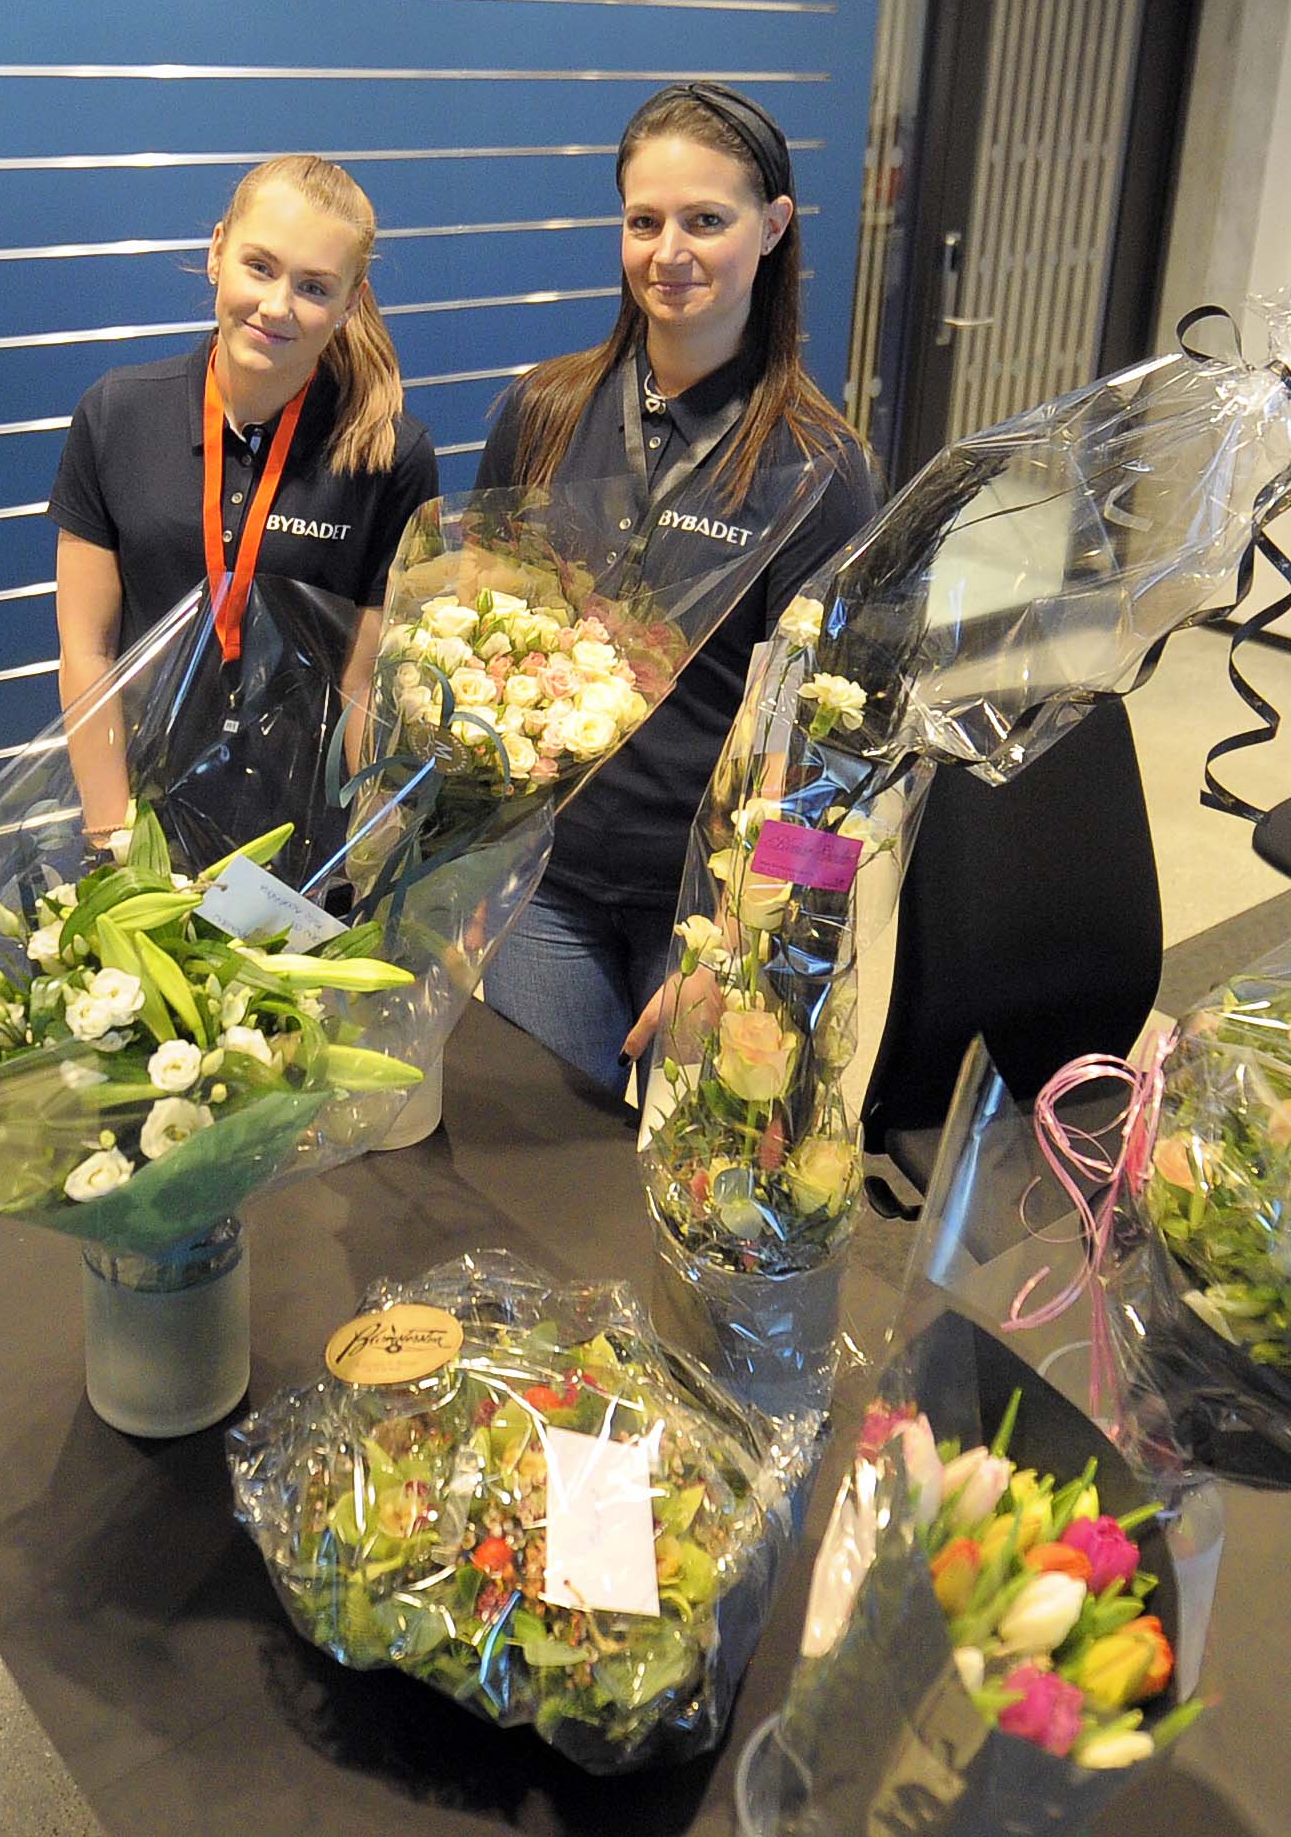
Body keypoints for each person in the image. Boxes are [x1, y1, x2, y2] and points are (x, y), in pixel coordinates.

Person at [473, 83, 882, 1093]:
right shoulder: (545, 412)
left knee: (682, 1197)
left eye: (708, 219)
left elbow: (828, 750)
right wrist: (459, 866)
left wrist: (746, 948)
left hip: (705, 911)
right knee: (546, 1178)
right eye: (643, 221)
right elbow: (472, 647)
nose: (670, 251)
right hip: (545, 890)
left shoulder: (820, 465)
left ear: (774, 227)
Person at [48, 154, 440, 860]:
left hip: (305, 838)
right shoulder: (116, 415)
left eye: (314, 287)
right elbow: (88, 650)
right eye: (260, 266)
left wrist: (369, 845)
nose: (277, 306)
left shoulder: (389, 456)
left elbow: (364, 683)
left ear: (351, 303)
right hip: (142, 820)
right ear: (217, 251)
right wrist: (113, 839)